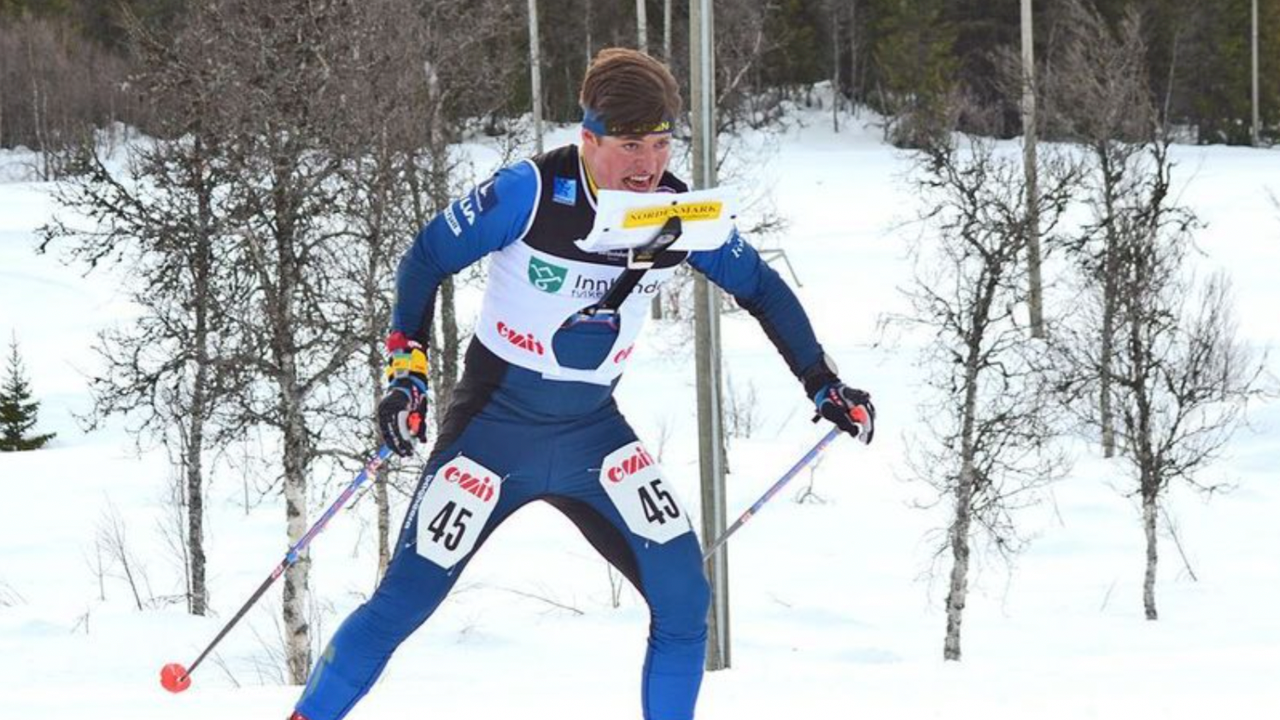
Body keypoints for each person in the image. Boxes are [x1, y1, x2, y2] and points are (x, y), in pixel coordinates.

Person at [289, 47, 874, 720]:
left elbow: (763, 289)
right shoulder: (528, 194)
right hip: (493, 431)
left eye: (660, 143)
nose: (649, 164)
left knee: (686, 598)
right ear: (588, 140)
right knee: (401, 605)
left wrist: (822, 383)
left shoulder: (678, 212)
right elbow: (424, 260)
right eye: (630, 145)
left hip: (592, 434)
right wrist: (407, 375)